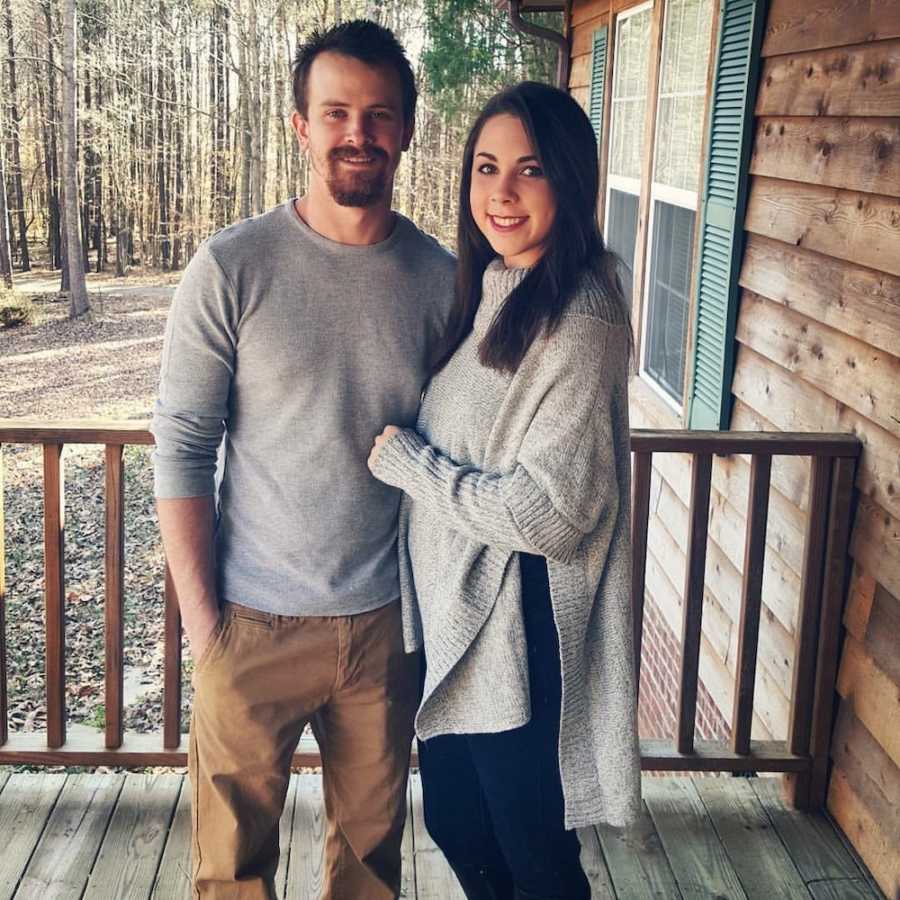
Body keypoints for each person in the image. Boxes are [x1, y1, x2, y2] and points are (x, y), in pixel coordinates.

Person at [151, 20, 455, 900]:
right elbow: (181, 447)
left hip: (384, 629)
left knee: (369, 869)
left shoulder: (440, 282)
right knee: (231, 872)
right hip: (252, 624)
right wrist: (207, 630)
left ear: (406, 129)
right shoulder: (233, 268)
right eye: (335, 113)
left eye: (378, 114)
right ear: (300, 126)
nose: (356, 133)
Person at [368, 81, 641, 900]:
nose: (502, 193)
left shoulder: (579, 317)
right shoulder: (494, 288)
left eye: (529, 170)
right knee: (458, 823)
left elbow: (550, 514)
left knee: (535, 858)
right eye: (486, 168)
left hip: (521, 621)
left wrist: (414, 467)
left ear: (571, 181)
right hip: (468, 617)